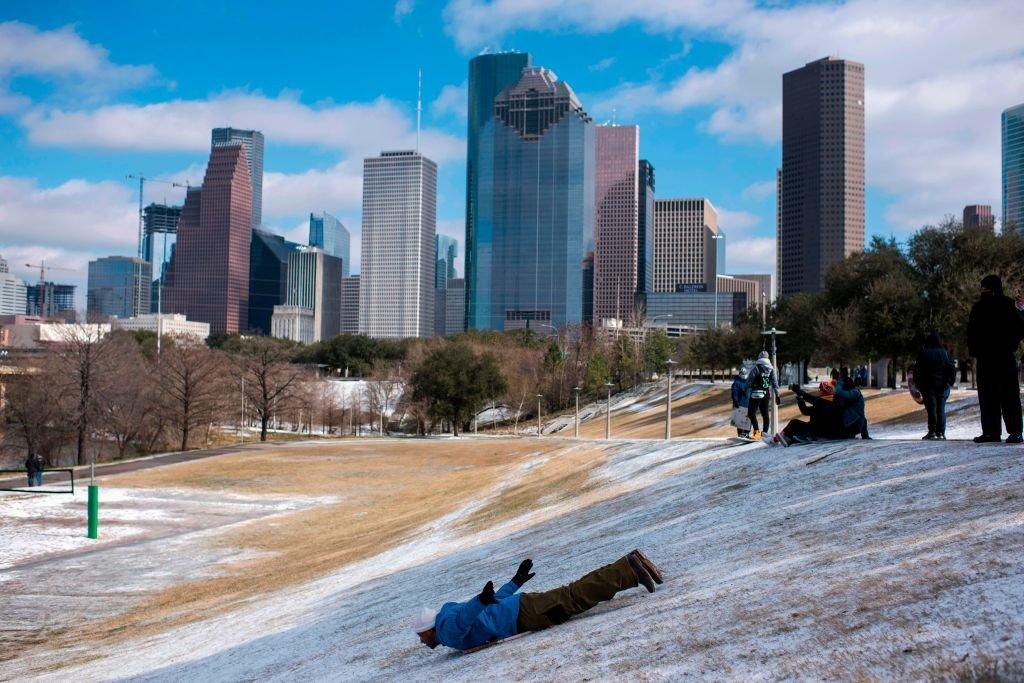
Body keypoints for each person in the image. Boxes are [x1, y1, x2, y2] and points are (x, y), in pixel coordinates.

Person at [414, 550, 663, 652]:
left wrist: (480, 600)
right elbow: (491, 603)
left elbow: (468, 615)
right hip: (521, 606)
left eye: (420, 635)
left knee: (574, 598)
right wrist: (516, 581)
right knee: (572, 594)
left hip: (524, 615)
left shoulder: (446, 631)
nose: (421, 641)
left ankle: (629, 570)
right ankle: (632, 566)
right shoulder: (450, 618)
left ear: (429, 630)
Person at [967, 274, 1024, 443]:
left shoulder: (987, 307)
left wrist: (977, 351)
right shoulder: (1003, 305)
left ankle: (1003, 432)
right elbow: (1020, 327)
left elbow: (971, 334)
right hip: (997, 358)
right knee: (995, 396)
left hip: (995, 358)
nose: (983, 290)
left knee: (999, 396)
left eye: (985, 287)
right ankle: (1002, 432)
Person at [915, 331, 957, 440]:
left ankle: (932, 431)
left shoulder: (923, 353)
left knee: (931, 409)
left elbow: (917, 370)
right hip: (942, 385)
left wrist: (918, 384)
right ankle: (941, 432)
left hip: (927, 386)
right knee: (940, 408)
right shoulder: (945, 353)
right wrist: (950, 382)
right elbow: (951, 368)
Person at [746, 351, 780, 440]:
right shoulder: (771, 368)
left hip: (756, 394)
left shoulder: (756, 368)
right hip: (766, 394)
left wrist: (746, 389)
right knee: (765, 414)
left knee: (751, 413)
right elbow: (774, 382)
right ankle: (764, 433)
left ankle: (756, 433)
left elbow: (749, 381)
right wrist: (777, 394)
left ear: (759, 357)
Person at [833, 372, 870, 439]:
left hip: (853, 424)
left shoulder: (854, 392)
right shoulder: (854, 393)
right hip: (855, 423)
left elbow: (838, 392)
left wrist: (839, 383)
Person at [731, 367, 751, 437]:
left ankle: (746, 433)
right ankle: (740, 434)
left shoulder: (749, 382)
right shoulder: (736, 382)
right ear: (740, 374)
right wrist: (735, 400)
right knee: (739, 420)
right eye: (742, 373)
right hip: (739, 404)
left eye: (744, 373)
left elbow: (751, 392)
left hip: (748, 404)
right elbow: (734, 392)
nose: (743, 375)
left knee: (748, 420)